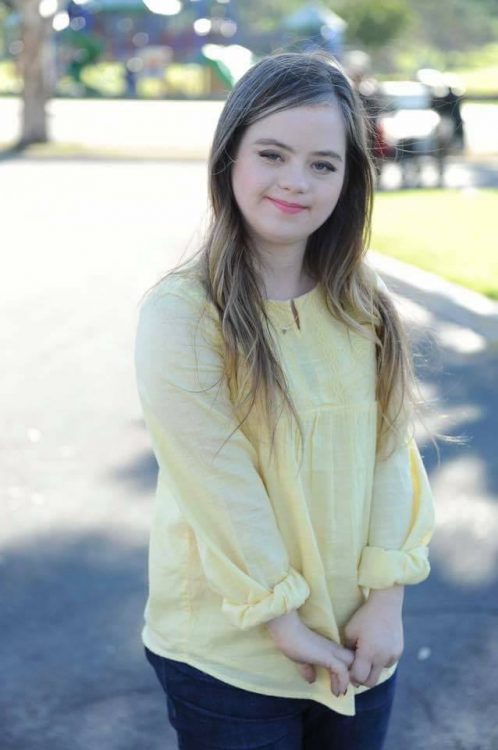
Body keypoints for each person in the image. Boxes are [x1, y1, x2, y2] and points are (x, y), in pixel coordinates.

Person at [134, 50, 436, 750]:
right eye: (273, 154)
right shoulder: (183, 315)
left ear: (349, 178)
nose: (296, 182)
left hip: (360, 642)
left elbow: (392, 455)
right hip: (229, 658)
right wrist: (283, 622)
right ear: (229, 156)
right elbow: (221, 487)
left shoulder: (365, 306)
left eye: (323, 164)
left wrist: (387, 598)